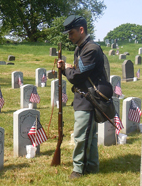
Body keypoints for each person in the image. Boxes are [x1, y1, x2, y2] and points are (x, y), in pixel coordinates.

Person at [57, 15, 105, 179]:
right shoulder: (80, 48)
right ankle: (92, 166)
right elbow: (79, 70)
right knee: (88, 136)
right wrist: (68, 67)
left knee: (81, 136)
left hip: (90, 99)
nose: (69, 37)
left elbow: (77, 76)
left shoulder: (91, 49)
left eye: (71, 33)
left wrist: (65, 70)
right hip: (82, 97)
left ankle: (78, 169)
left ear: (81, 30)